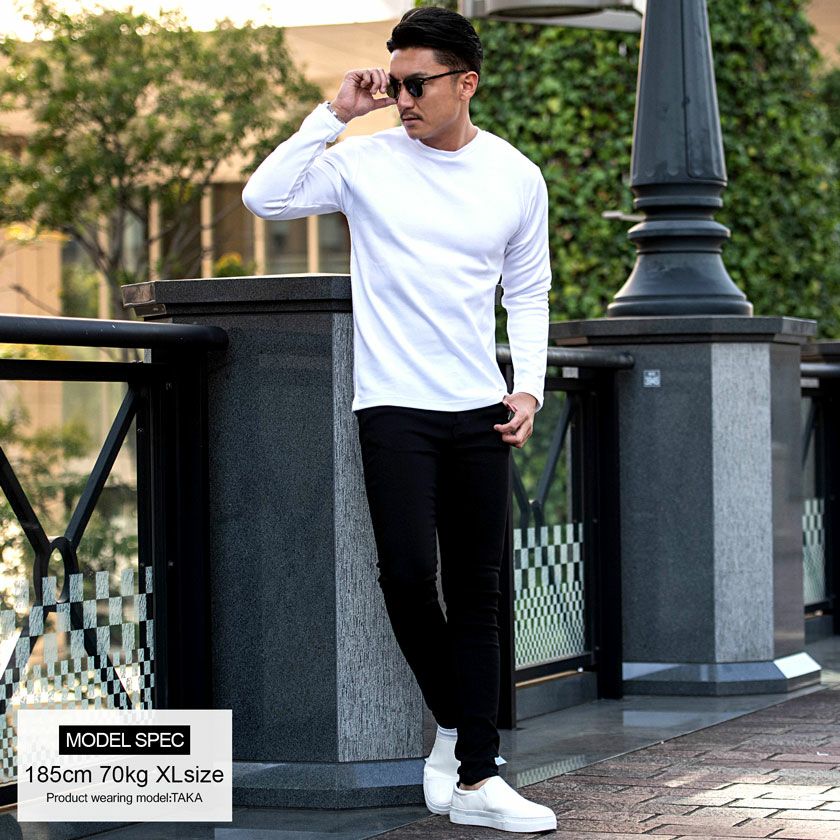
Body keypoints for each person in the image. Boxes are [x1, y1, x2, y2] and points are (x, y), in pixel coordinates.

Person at [242, 6, 555, 833]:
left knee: (481, 594)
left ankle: (480, 777)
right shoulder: (365, 161)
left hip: (481, 409)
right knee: (410, 578)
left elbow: (527, 290)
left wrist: (528, 388)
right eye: (397, 83)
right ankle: (454, 725)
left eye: (419, 84)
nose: (405, 99)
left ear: (466, 83)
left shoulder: (515, 175)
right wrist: (336, 113)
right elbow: (264, 197)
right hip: (393, 408)